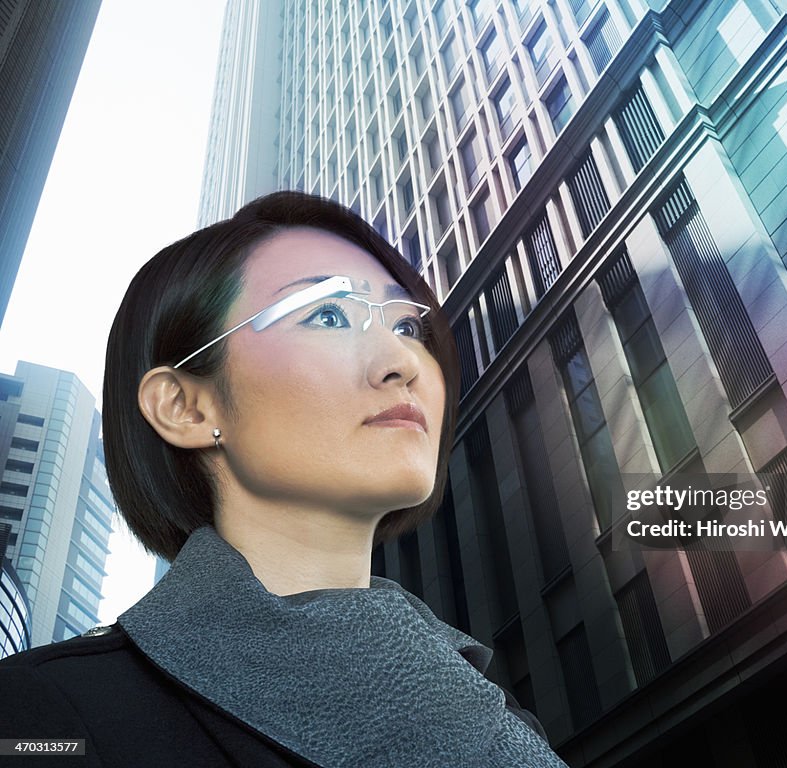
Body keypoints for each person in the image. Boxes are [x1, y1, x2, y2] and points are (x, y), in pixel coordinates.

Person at [0, 192, 569, 767]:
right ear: (185, 407)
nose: (403, 362)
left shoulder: (495, 717)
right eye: (326, 315)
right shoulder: (41, 715)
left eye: (408, 326)